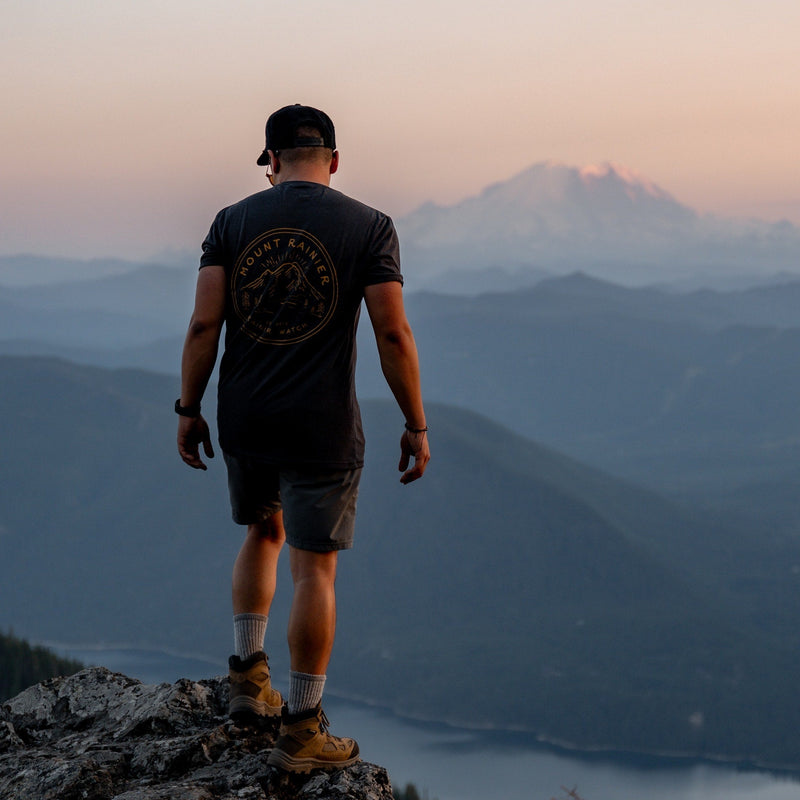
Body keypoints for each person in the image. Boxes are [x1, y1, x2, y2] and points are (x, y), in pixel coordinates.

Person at [176, 104, 429, 773]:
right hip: (321, 426)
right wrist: (415, 421)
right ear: (335, 160)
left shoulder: (230, 222)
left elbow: (203, 326)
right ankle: (302, 727)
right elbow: (392, 332)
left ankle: (246, 679)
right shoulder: (369, 226)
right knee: (315, 568)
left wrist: (188, 407)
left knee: (263, 531)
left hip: (245, 417)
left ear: (271, 162)